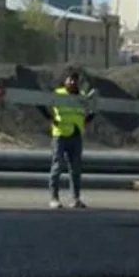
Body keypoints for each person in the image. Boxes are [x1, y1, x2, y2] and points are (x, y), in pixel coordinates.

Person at [38, 68, 94, 209]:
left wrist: (87, 120)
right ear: (65, 81)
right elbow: (39, 102)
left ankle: (75, 199)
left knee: (75, 169)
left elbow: (94, 108)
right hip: (61, 135)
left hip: (76, 135)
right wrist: (50, 119)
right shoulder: (58, 94)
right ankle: (54, 198)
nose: (73, 82)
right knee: (57, 167)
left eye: (75, 79)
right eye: (71, 79)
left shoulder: (82, 96)